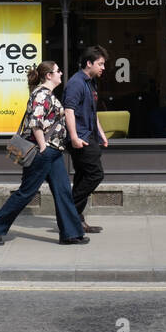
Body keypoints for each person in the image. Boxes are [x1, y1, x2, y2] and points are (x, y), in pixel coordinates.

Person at [0, 61, 87, 246]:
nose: (61, 73)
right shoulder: (41, 94)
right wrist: (43, 146)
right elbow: (35, 123)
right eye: (58, 71)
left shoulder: (47, 94)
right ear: (49, 75)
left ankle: (70, 233)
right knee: (26, 193)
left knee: (63, 191)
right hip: (44, 152)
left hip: (54, 152)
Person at [63, 45, 109, 233]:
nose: (103, 67)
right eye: (100, 64)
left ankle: (76, 219)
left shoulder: (91, 82)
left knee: (83, 176)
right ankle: (69, 213)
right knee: (95, 174)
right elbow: (69, 110)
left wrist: (101, 133)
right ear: (88, 63)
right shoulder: (76, 83)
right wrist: (74, 137)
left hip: (90, 136)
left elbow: (92, 111)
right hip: (81, 138)